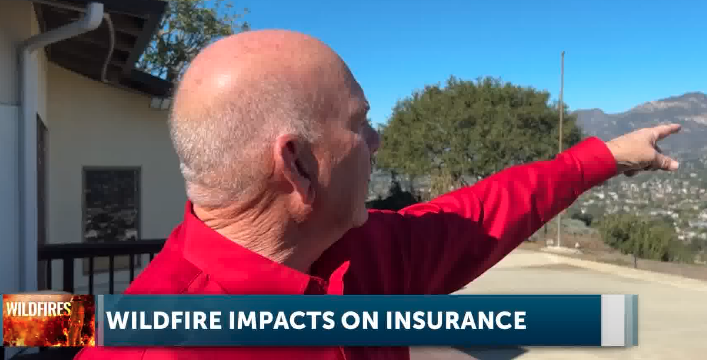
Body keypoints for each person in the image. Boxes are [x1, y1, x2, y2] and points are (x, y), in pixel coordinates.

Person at [75, 29, 681, 360]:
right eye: (360, 123)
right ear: (300, 166)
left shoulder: (361, 250)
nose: (378, 138)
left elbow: (481, 211)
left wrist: (605, 157)